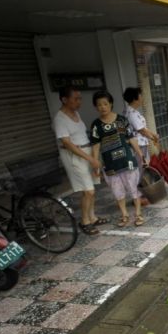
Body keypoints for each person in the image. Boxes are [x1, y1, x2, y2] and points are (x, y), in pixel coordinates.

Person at [53, 86, 107, 235]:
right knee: (88, 191)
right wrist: (90, 158)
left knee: (92, 189)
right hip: (74, 157)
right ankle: (84, 221)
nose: (79, 101)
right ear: (64, 100)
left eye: (80, 98)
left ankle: (93, 217)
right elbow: (67, 143)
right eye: (75, 98)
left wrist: (92, 156)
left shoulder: (75, 113)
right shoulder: (60, 119)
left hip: (86, 152)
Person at [90, 90, 145, 227]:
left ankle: (138, 214)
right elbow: (96, 146)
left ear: (111, 104)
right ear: (95, 107)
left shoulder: (121, 120)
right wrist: (95, 164)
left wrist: (140, 154)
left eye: (105, 104)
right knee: (117, 191)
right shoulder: (96, 125)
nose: (102, 107)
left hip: (127, 160)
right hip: (110, 165)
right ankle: (124, 214)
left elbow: (131, 138)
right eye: (99, 105)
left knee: (133, 188)